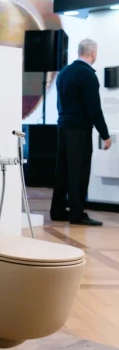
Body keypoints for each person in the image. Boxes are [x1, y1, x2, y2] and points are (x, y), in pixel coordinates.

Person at [50, 38, 111, 226]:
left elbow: (59, 103)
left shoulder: (64, 72)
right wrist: (105, 134)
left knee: (63, 170)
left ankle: (58, 210)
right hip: (80, 129)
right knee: (79, 170)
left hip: (63, 126)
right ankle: (77, 214)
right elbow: (94, 109)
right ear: (93, 53)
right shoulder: (88, 75)